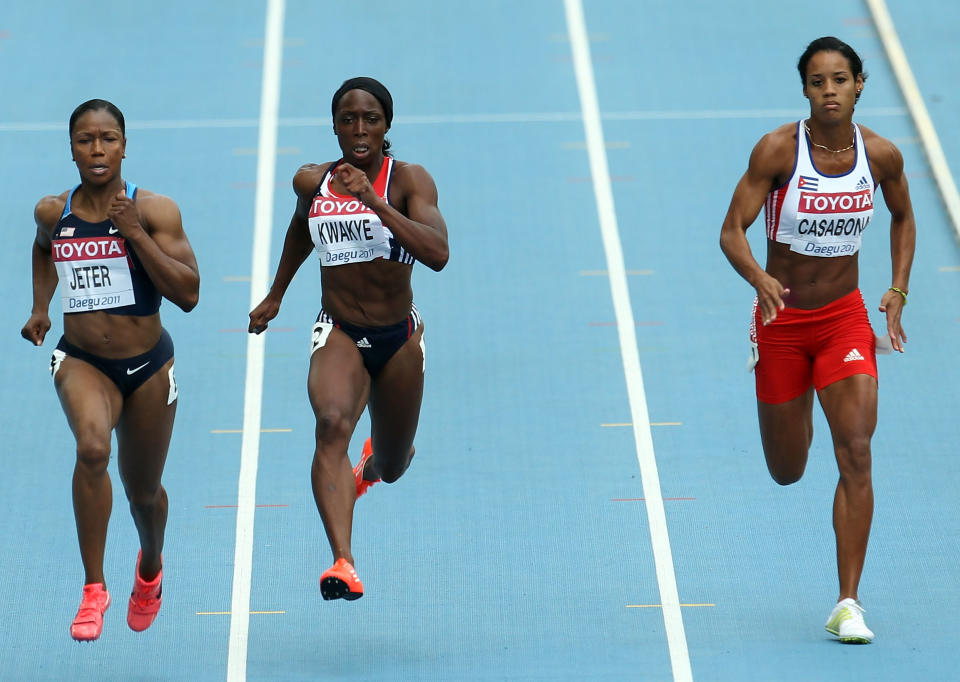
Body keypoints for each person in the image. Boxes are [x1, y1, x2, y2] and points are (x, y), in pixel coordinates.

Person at [719, 37, 915, 643]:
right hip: (782, 325)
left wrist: (898, 288)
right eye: (816, 82)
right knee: (787, 469)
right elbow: (731, 231)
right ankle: (796, 395)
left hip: (843, 320)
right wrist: (759, 279)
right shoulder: (779, 150)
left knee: (856, 448)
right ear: (805, 90)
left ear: (860, 86)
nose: (828, 90)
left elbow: (905, 217)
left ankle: (848, 601)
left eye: (839, 80)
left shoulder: (880, 156)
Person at [249, 77, 448, 601]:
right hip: (338, 330)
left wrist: (374, 203)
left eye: (371, 120)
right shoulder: (312, 181)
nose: (359, 130)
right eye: (347, 119)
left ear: (387, 126)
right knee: (331, 423)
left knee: (394, 464)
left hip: (398, 338)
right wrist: (276, 295)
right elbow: (300, 229)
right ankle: (343, 561)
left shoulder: (408, 181)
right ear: (334, 125)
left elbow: (438, 253)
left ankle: (371, 468)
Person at [21, 99, 200, 641]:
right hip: (83, 361)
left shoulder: (154, 210)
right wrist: (40, 307)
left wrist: (135, 235)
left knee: (144, 493)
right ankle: (93, 589)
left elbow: (189, 294)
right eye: (84, 140)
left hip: (148, 366)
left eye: (108, 139)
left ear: (125, 144)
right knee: (93, 449)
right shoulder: (53, 212)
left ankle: (149, 568)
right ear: (71, 147)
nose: (97, 151)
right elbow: (43, 250)